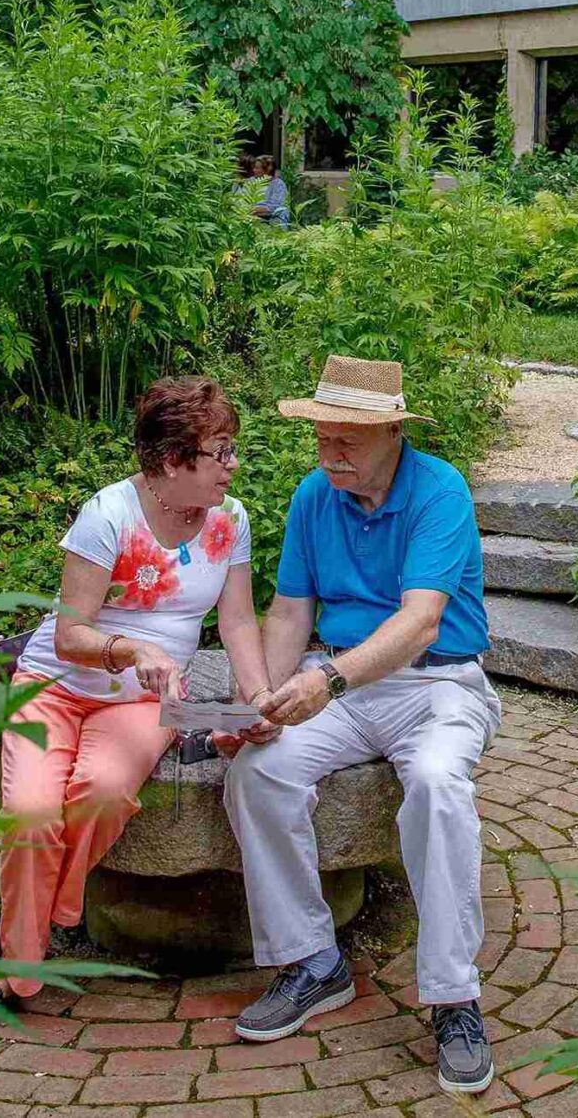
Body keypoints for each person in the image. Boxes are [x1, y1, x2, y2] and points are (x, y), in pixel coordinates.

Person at [221, 355, 502, 1095]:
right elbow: (289, 612)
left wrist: (327, 680)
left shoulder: (439, 490)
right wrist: (271, 702)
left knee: (441, 786)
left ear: (391, 434)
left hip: (438, 681)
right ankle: (314, 960)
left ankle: (453, 997)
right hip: (340, 682)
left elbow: (421, 622)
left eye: (347, 439)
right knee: (258, 771)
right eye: (322, 438)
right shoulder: (315, 496)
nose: (331, 454)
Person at [0, 376, 270, 1006]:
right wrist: (133, 649)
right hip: (57, 685)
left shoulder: (231, 520)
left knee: (103, 792)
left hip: (145, 700)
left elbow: (239, 621)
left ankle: (33, 920)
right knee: (33, 810)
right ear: (174, 460)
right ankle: (18, 968)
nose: (233, 464)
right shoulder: (108, 512)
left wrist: (254, 699)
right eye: (221, 451)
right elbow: (68, 635)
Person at [245, 153, 291, 229]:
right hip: (253, 222)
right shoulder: (251, 181)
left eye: (257, 168)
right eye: (254, 167)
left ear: (267, 170)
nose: (254, 170)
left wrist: (253, 209)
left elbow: (275, 207)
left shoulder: (278, 184)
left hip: (274, 224)